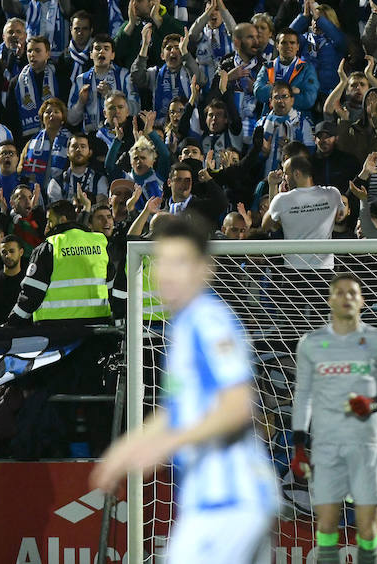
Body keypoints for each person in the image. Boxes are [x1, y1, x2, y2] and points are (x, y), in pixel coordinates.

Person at [90, 214, 278, 564]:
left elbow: (238, 405)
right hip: (211, 501)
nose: (168, 273)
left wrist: (164, 444)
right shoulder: (183, 327)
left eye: (181, 262)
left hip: (229, 500)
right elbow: (177, 411)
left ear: (204, 270)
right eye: (163, 261)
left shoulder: (208, 320)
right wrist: (126, 449)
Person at [288, 274, 377, 564]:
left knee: (367, 526)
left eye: (352, 293)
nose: (346, 297)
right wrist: (299, 443)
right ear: (330, 300)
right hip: (326, 447)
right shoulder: (311, 343)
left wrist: (374, 403)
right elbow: (303, 396)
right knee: (326, 524)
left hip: (367, 446)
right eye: (339, 292)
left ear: (362, 300)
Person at [6, 198, 113, 324]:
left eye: (50, 221)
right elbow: (111, 285)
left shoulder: (50, 246)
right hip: (98, 324)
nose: (47, 226)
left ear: (62, 220)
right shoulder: (99, 242)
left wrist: (13, 322)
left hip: (57, 328)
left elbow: (32, 292)